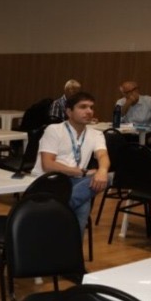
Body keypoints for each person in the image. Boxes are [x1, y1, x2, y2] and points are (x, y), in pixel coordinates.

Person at [32, 91, 110, 233]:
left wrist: (102, 171)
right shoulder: (54, 130)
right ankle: (72, 245)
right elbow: (48, 165)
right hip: (50, 180)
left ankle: (56, 210)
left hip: (76, 182)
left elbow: (103, 155)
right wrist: (82, 172)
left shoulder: (96, 134)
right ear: (69, 112)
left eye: (91, 107)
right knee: (83, 205)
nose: (89, 111)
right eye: (83, 107)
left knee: (108, 177)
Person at [114, 81, 151, 150]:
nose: (132, 93)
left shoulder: (149, 100)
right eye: (128, 92)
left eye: (134, 90)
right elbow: (117, 120)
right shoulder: (120, 102)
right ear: (124, 94)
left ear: (137, 90)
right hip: (128, 134)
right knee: (113, 141)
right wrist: (127, 104)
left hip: (147, 134)